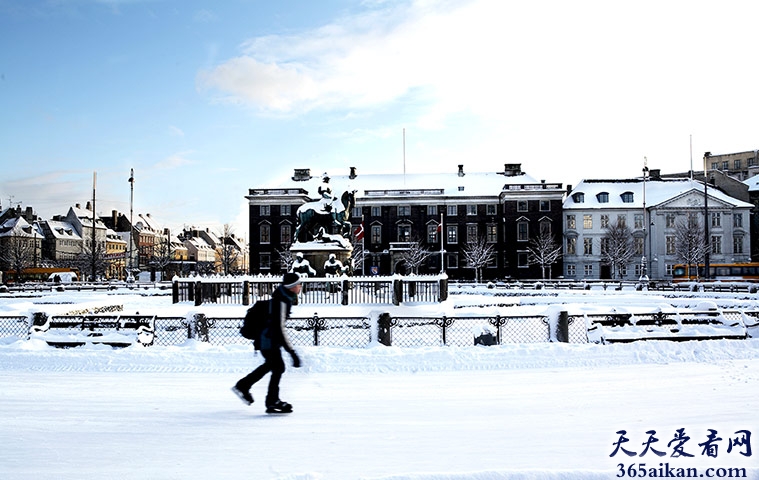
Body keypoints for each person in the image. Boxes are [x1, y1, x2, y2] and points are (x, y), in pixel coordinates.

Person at [232, 273, 302, 413]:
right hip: (268, 341)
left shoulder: (283, 298)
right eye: (299, 284)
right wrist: (292, 352)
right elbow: (279, 328)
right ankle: (266, 397)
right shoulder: (281, 302)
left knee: (275, 367)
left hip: (268, 340)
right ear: (292, 287)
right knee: (277, 367)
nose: (300, 286)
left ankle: (250, 389)